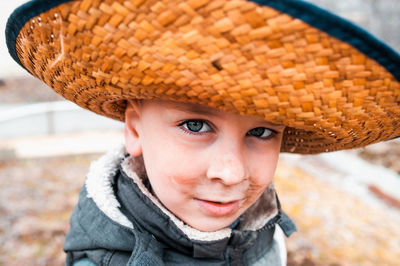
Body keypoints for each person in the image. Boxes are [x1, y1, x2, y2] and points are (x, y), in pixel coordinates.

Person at [6, 0, 400, 265]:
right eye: (195, 125)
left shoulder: (264, 228)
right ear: (134, 129)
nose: (231, 174)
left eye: (261, 131)